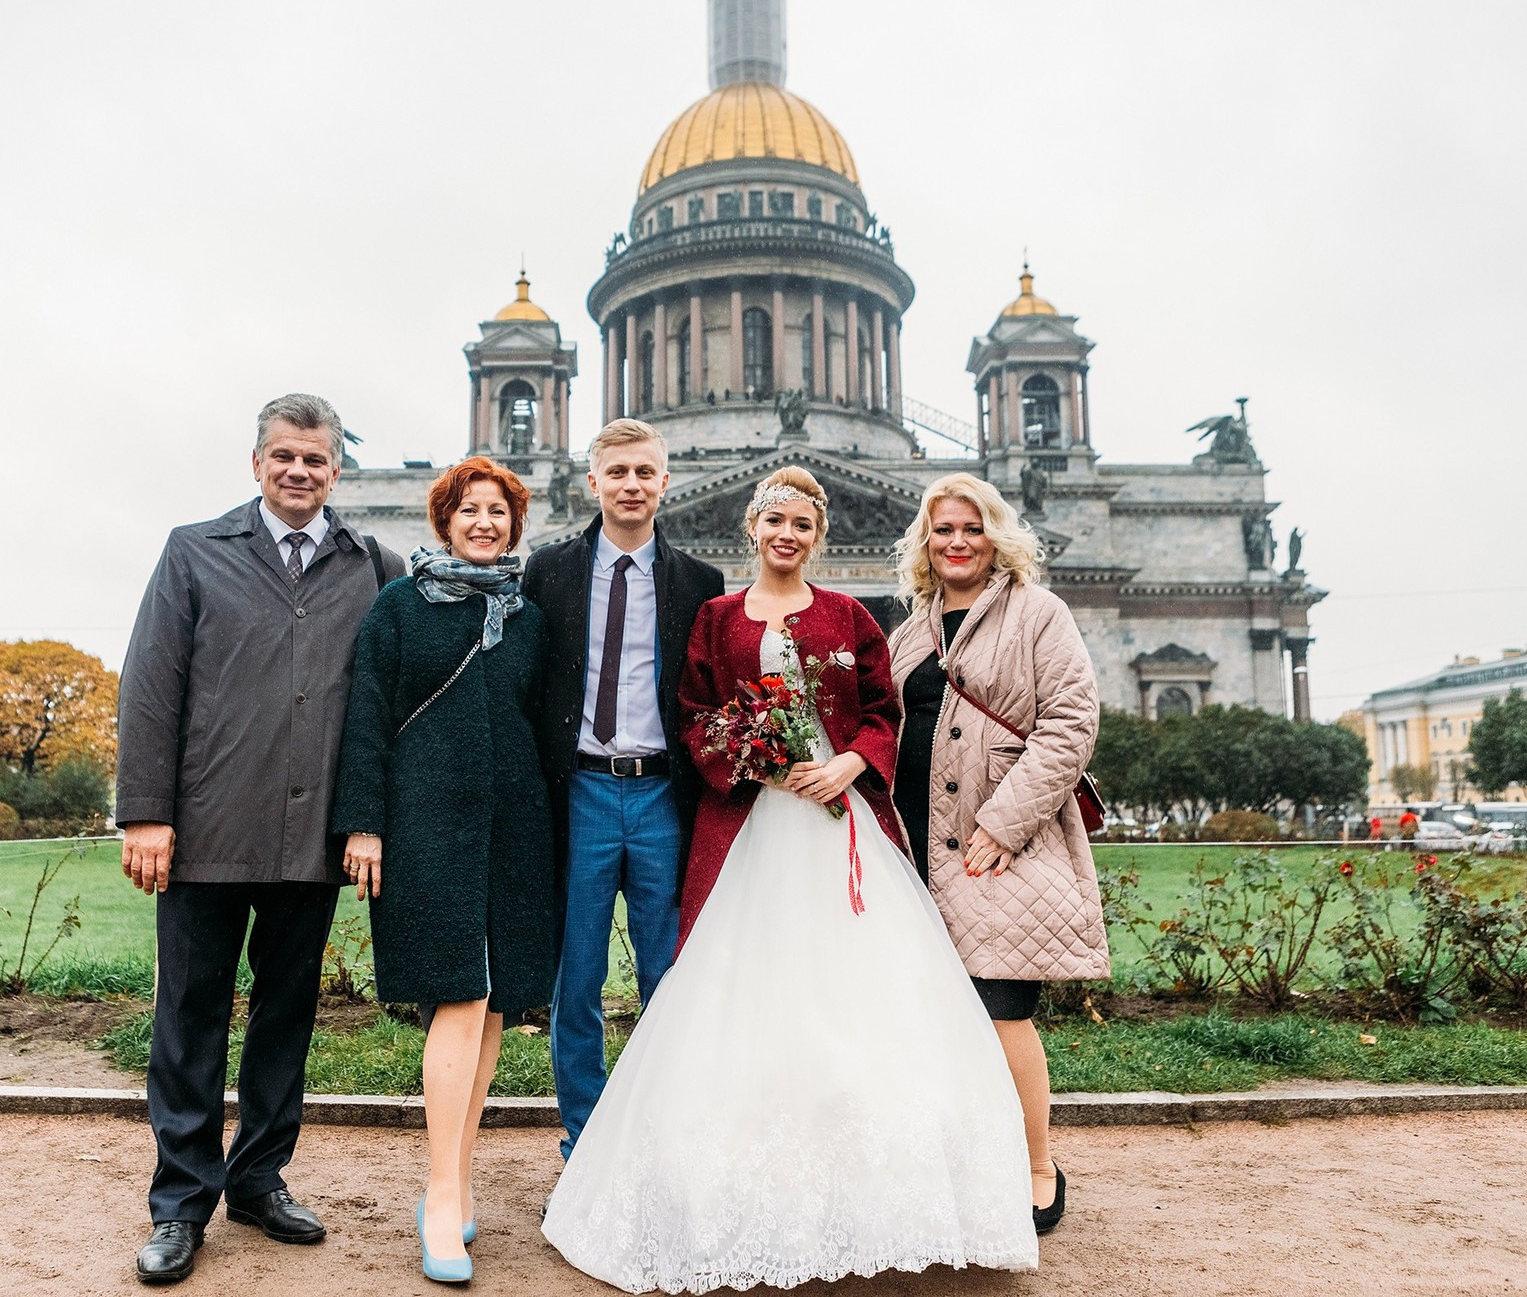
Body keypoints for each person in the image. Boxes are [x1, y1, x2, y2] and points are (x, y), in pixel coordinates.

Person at [542, 466, 1038, 1292]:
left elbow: (883, 712)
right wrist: (754, 763)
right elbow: (695, 714)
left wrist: (849, 762)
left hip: (841, 826)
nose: (788, 535)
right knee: (742, 994)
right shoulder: (714, 615)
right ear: (752, 527)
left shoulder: (852, 616)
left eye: (802, 525)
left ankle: (874, 1197)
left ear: (820, 535)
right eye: (775, 520)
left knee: (855, 998)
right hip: (750, 826)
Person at [116, 393, 402, 1286]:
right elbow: (151, 685)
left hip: (311, 838)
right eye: (283, 457)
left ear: (335, 470)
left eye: (315, 460)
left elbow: (391, 703)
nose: (299, 472)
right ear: (256, 464)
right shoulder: (195, 551)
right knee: (190, 1018)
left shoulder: (373, 565)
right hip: (204, 830)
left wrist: (374, 819)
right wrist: (145, 813)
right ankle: (179, 1204)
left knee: (287, 1018)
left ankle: (260, 1180)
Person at [332, 457, 557, 1285]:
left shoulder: (526, 616)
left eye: (498, 512)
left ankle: (461, 1182)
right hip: (428, 826)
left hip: (515, 827)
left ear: (514, 524)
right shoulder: (397, 608)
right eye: (470, 510)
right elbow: (366, 719)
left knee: (493, 1004)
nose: (485, 523)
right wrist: (363, 825)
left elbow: (538, 722)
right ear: (445, 520)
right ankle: (437, 1195)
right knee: (458, 996)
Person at [886, 470, 1107, 1236]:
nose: (957, 542)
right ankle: (955, 1166)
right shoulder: (911, 626)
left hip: (995, 848)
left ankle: (1036, 1164)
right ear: (925, 542)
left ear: (996, 537)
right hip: (911, 842)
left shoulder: (1038, 612)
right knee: (927, 1016)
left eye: (971, 529)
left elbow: (1072, 723)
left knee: (1001, 1008)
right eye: (943, 530)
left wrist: (1004, 823)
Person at [520, 418, 723, 1160]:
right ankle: (586, 1135)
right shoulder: (547, 572)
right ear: (593, 483)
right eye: (618, 474)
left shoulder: (700, 582)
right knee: (576, 978)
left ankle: (664, 1129)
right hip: (580, 792)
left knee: (665, 973)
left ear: (664, 483)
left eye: (645, 473)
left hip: (663, 797)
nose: (632, 486)